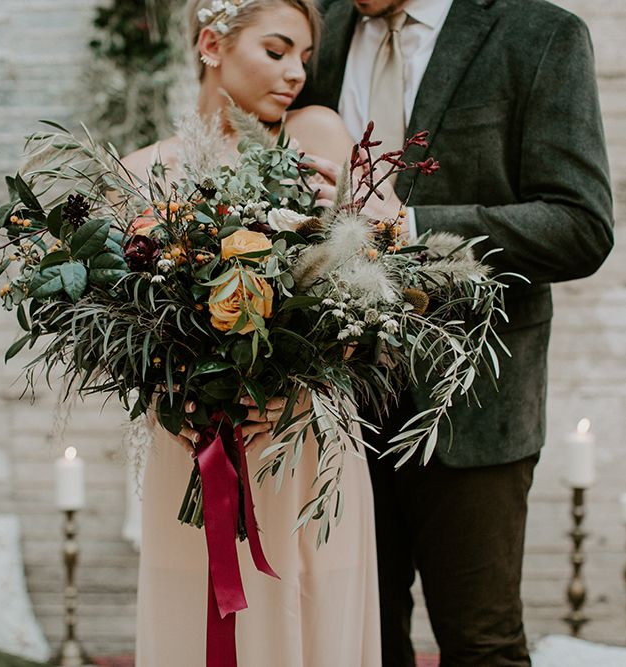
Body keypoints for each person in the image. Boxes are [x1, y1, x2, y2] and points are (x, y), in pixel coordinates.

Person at [294, 0, 614, 664]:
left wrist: (411, 230)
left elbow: (579, 224)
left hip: (472, 410)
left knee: (480, 644)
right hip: (332, 411)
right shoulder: (316, 35)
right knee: (357, 645)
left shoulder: (540, 35)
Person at [122, 0, 382, 664]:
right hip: (189, 446)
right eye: (276, 51)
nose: (294, 72)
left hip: (299, 438)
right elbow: (123, 331)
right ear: (211, 43)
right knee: (192, 624)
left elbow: (368, 292)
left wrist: (299, 370)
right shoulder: (139, 171)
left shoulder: (316, 135)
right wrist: (167, 392)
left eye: (303, 57)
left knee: (312, 621)